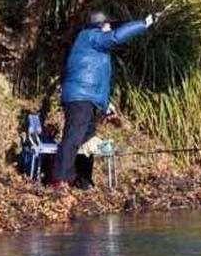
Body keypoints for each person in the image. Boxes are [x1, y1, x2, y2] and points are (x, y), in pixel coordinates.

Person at [50, 10, 156, 190]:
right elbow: (116, 37)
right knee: (73, 137)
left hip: (87, 98)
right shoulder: (93, 36)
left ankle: (82, 181)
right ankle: (60, 180)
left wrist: (106, 104)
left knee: (87, 139)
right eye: (108, 25)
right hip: (80, 98)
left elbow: (97, 80)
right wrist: (143, 24)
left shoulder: (93, 43)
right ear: (101, 25)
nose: (110, 27)